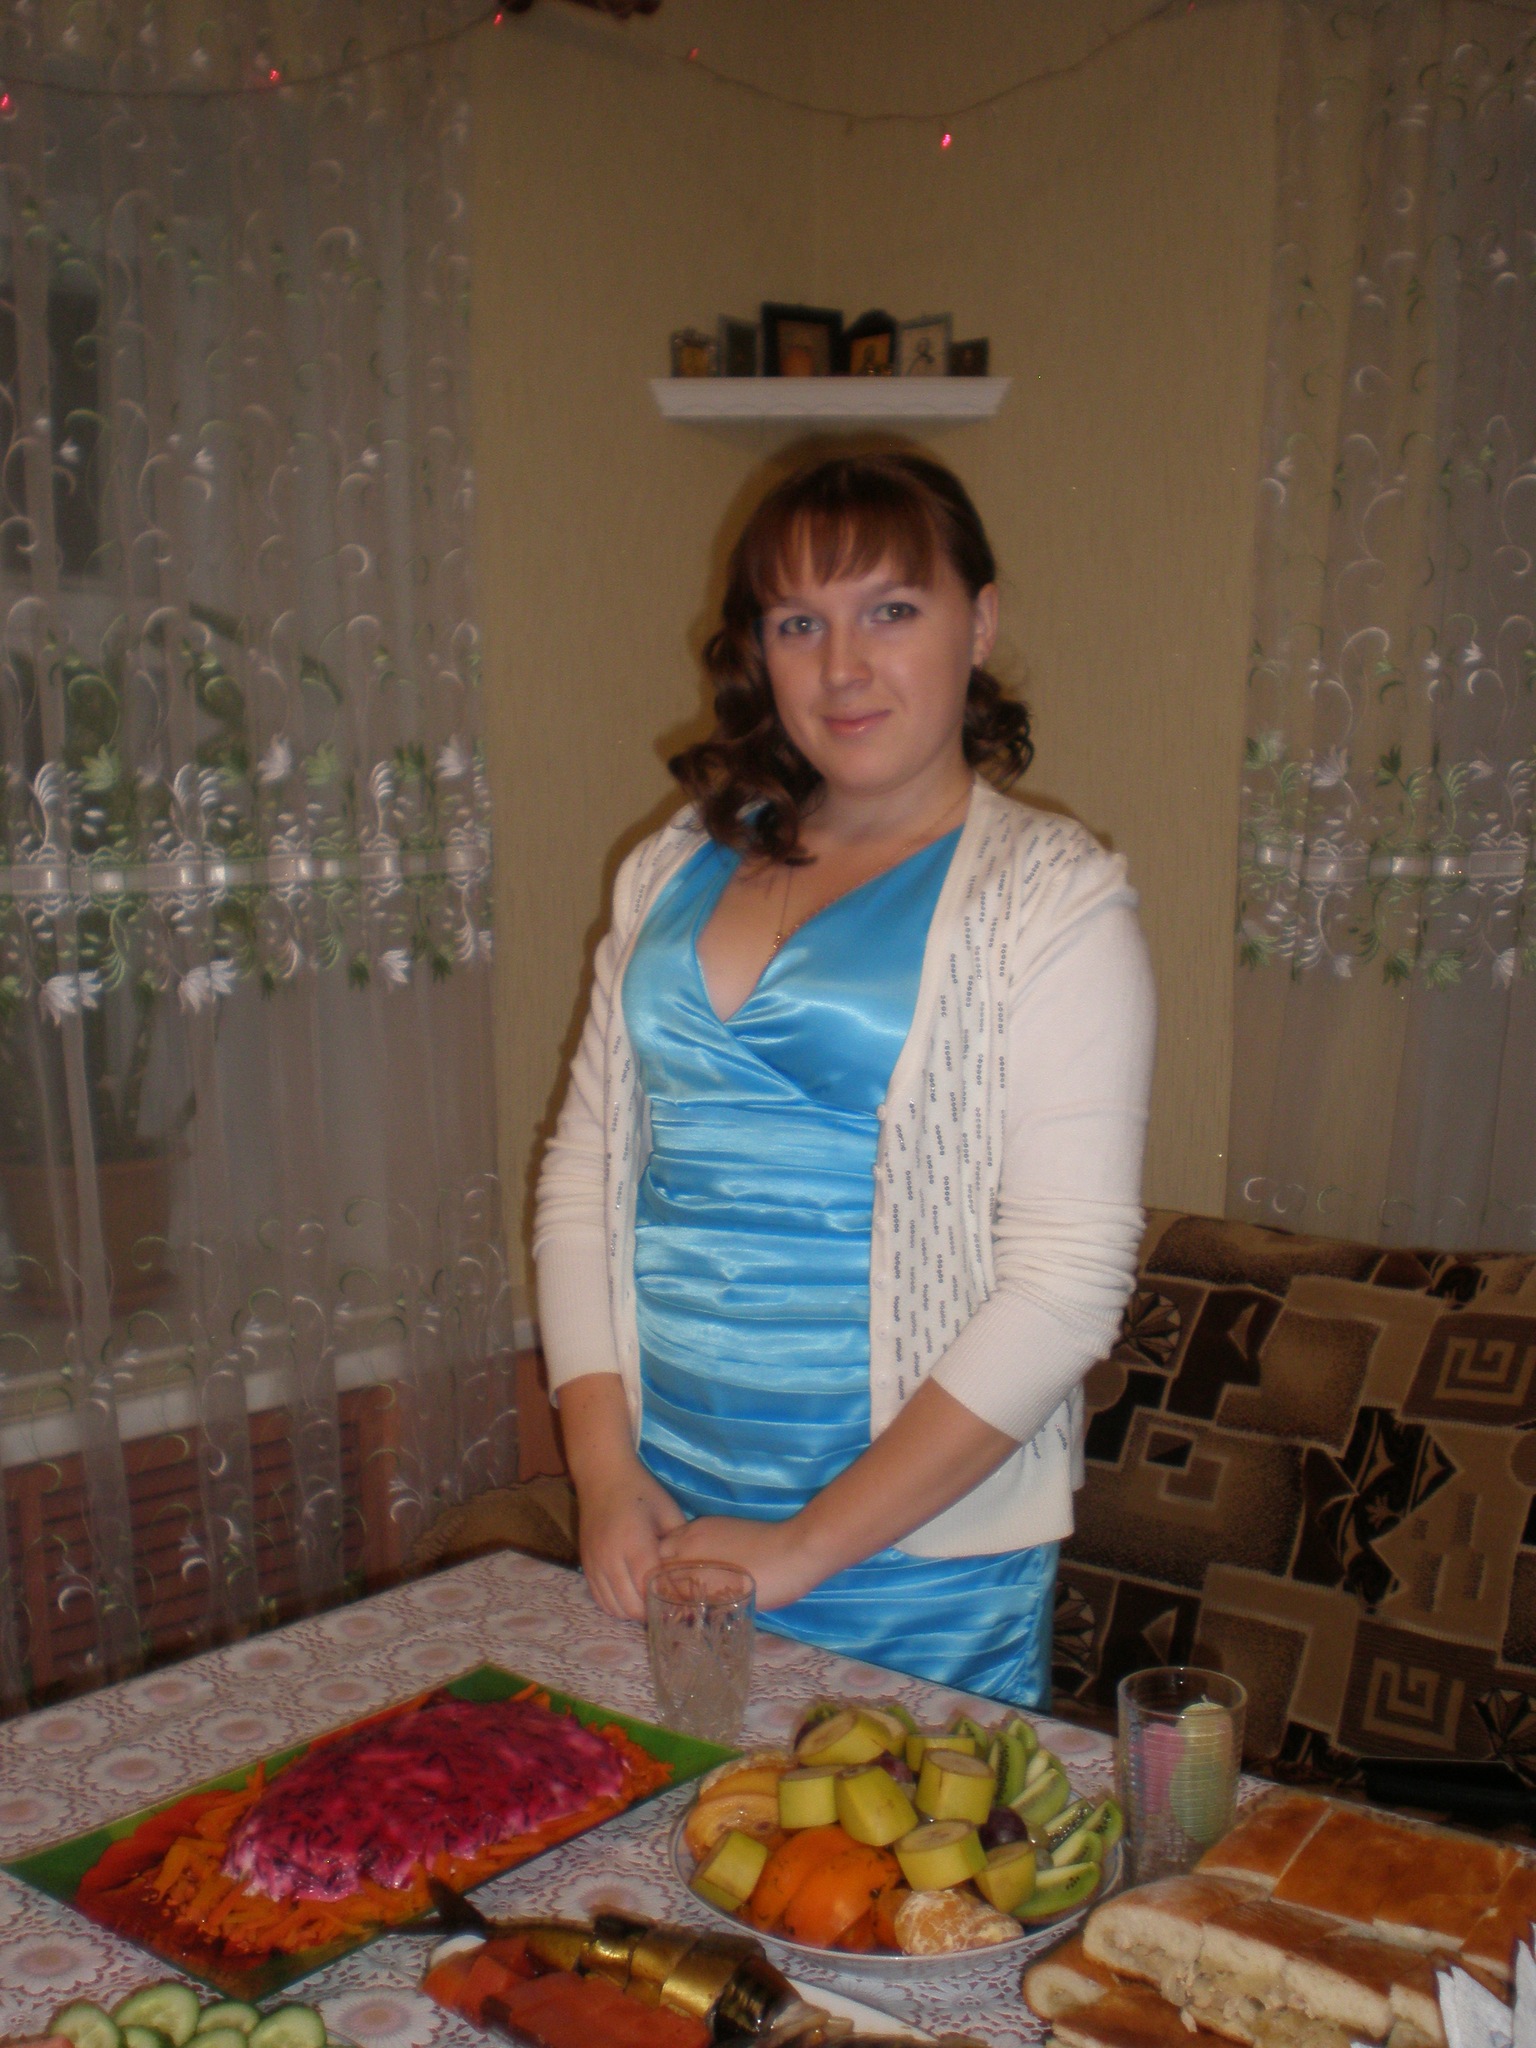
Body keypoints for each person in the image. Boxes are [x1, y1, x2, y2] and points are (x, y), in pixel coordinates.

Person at [533, 451, 1155, 1707]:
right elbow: (584, 1174)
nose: (843, 666)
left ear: (981, 621)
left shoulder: (1055, 899)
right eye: (799, 623)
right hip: (668, 1530)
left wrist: (802, 1546)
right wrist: (603, 1473)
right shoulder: (668, 866)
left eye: (893, 609)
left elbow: (1065, 1286)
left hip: (913, 1562)